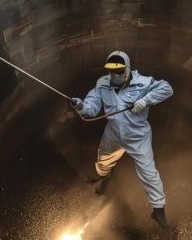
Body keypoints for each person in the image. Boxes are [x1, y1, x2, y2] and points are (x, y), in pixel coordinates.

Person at [71, 51, 174, 229]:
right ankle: (105, 178)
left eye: (118, 72)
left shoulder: (143, 82)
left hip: (138, 134)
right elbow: (92, 109)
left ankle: (158, 210)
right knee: (103, 161)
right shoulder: (102, 84)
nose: (114, 75)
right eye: (111, 72)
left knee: (148, 171)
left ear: (127, 70)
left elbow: (167, 88)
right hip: (113, 133)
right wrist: (81, 106)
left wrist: (145, 101)